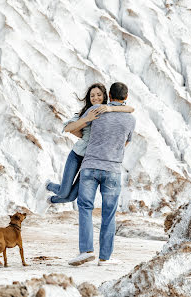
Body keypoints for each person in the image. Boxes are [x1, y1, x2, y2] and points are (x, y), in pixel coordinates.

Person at [35, 83, 134, 214]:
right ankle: (48, 185)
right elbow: (67, 128)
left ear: (106, 96)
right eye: (92, 95)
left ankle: (50, 200)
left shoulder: (109, 111)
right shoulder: (88, 112)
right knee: (64, 192)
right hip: (77, 156)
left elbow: (130, 109)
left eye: (99, 95)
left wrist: (109, 109)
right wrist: (86, 120)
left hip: (92, 161)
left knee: (71, 197)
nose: (95, 98)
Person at [68, 82, 136, 266]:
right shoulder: (130, 119)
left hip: (90, 166)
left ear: (109, 96)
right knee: (108, 214)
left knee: (85, 208)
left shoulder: (97, 109)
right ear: (125, 97)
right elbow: (125, 144)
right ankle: (104, 258)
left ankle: (86, 251)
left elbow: (76, 127)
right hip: (112, 169)